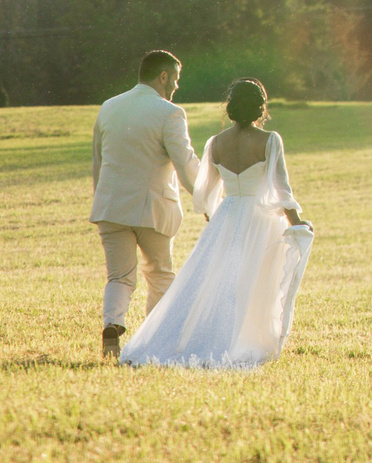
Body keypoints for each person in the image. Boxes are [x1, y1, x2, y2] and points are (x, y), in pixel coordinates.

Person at [119, 77, 315, 370]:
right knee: (251, 282)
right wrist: (297, 223)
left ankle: (193, 337)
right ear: (261, 107)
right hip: (259, 220)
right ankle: (237, 342)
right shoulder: (270, 140)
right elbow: (281, 187)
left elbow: (207, 193)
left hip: (227, 214)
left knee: (217, 281)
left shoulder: (216, 142)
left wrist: (217, 218)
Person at [89, 49, 201, 360]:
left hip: (110, 207)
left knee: (119, 277)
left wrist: (103, 199)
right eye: (175, 80)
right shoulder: (169, 113)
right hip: (153, 209)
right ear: (163, 76)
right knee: (160, 273)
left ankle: (112, 326)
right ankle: (157, 341)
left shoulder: (109, 108)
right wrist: (206, 197)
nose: (176, 87)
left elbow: (98, 161)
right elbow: (185, 163)